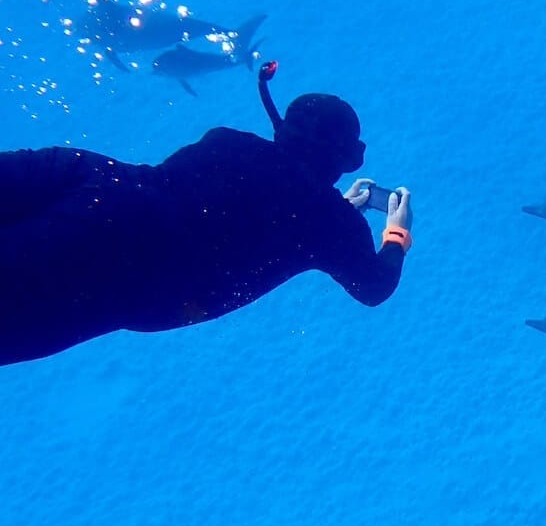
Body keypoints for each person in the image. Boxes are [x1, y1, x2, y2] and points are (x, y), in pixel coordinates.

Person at [0, 61, 412, 366]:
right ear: (345, 158)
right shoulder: (331, 223)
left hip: (89, 175)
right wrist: (396, 235)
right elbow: (374, 287)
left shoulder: (226, 140)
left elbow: (260, 199)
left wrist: (335, 212)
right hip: (109, 267)